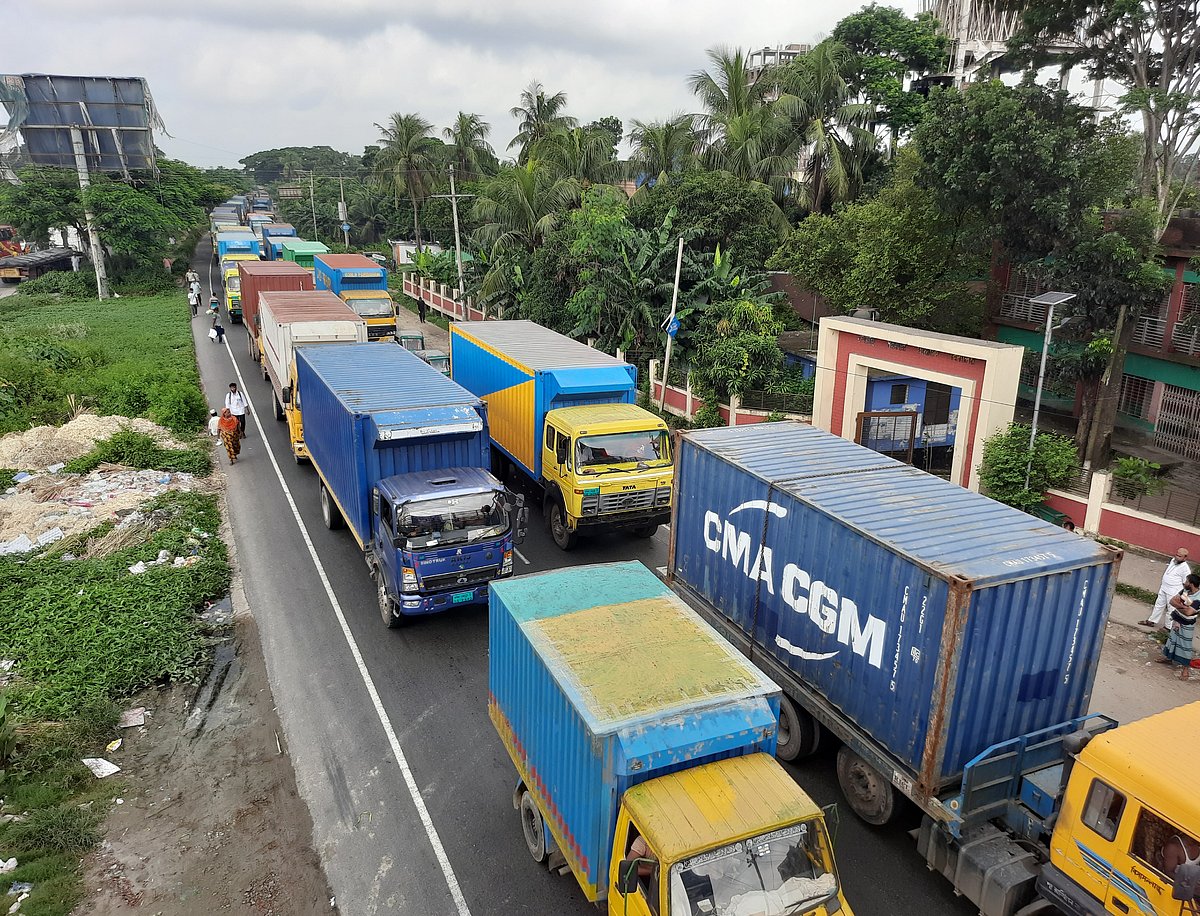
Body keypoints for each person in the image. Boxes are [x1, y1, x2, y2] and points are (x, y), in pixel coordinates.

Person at [1156, 573, 1200, 680]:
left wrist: (1179, 606)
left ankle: (1185, 669)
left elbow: (1189, 613)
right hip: (1178, 620)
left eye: (1187, 581)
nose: (1184, 583)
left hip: (1187, 624)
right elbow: (1172, 601)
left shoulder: (1198, 598)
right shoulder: (1185, 591)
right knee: (1172, 640)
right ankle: (1169, 658)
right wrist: (1182, 607)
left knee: (1185, 645)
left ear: (1192, 584)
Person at [1142, 548, 1191, 629]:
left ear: (1185, 558)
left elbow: (1185, 584)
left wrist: (1182, 595)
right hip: (1164, 587)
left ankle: (1167, 627)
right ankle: (1151, 621)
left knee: (1171, 609)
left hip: (1173, 592)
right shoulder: (1173, 561)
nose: (1177, 557)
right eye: (1176, 555)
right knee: (1158, 605)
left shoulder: (1185, 569)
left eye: (1179, 556)